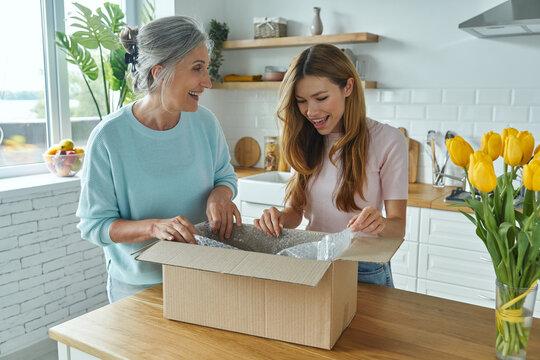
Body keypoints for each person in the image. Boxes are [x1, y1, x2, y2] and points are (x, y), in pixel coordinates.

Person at [76, 16, 241, 303]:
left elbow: (225, 177)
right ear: (159, 72)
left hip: (202, 274)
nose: (208, 82)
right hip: (138, 290)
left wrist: (219, 196)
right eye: (197, 68)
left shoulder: (205, 123)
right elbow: (95, 226)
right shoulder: (108, 137)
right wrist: (153, 227)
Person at [254, 44, 407, 287]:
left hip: (364, 268)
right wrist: (279, 218)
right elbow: (296, 212)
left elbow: (398, 227)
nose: (311, 111)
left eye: (321, 98)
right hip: (313, 261)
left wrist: (381, 224)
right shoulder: (303, 138)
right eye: (301, 101)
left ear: (348, 87)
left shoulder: (388, 140)